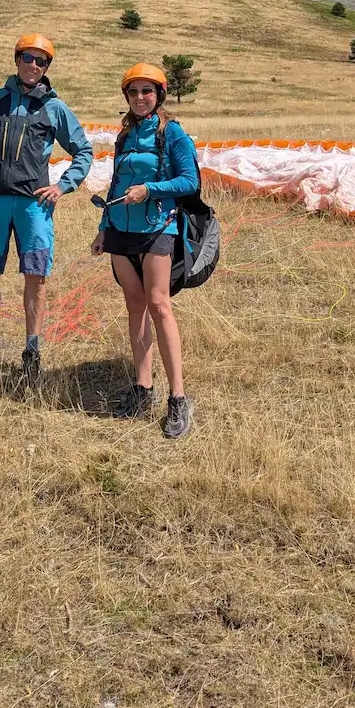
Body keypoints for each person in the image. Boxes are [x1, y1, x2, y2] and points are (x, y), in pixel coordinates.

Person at [0, 33, 93, 378]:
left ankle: (32, 348)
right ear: (17, 60)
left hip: (34, 206)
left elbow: (84, 151)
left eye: (40, 61)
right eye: (27, 58)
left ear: (46, 68)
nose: (33, 65)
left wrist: (62, 186)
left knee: (37, 276)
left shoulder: (54, 108)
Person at [91, 63, 199, 439]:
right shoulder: (124, 135)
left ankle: (178, 398)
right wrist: (103, 228)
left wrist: (149, 190)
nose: (140, 98)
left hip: (158, 228)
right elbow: (117, 182)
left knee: (158, 304)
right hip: (120, 229)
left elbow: (190, 181)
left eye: (147, 91)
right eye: (133, 91)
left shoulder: (173, 133)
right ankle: (142, 387)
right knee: (134, 305)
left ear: (159, 95)